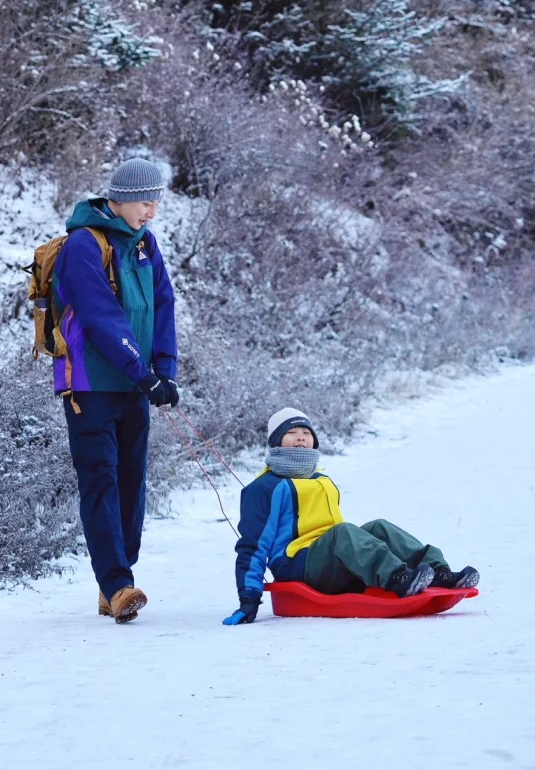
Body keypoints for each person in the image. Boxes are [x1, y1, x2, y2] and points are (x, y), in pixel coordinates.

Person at [51, 158, 178, 624]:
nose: (151, 213)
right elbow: (100, 315)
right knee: (101, 477)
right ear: (120, 199)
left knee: (131, 479)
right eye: (146, 204)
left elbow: (163, 304)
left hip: (133, 381)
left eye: (155, 204)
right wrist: (139, 370)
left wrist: (164, 370)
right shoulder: (83, 246)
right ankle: (117, 583)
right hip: (89, 383)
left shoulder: (145, 244)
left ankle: (117, 582)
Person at [223, 407, 479, 624]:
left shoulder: (322, 480)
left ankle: (439, 573)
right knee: (342, 532)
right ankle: (397, 576)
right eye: (290, 433)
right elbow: (252, 546)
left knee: (379, 527)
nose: (300, 438)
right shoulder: (264, 488)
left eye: (305, 433)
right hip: (298, 567)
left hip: (331, 557)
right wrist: (248, 599)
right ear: (275, 441)